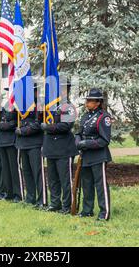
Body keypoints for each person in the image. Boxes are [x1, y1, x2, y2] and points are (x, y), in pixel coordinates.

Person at [41, 79, 78, 214]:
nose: (60, 91)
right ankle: (55, 203)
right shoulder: (50, 106)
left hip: (64, 149)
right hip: (50, 147)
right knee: (53, 179)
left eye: (63, 89)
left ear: (67, 90)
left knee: (65, 180)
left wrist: (49, 127)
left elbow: (66, 126)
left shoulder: (68, 107)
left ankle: (67, 206)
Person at [75, 88, 112, 221]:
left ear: (97, 103)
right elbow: (78, 133)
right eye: (87, 100)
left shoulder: (104, 117)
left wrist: (86, 144)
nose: (87, 102)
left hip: (98, 155)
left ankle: (104, 212)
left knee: (100, 185)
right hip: (86, 156)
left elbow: (104, 140)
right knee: (87, 184)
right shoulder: (86, 116)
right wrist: (78, 142)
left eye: (90, 100)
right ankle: (87, 210)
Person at [15, 84, 46, 208]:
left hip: (35, 143)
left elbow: (38, 124)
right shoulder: (23, 107)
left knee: (37, 172)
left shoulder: (40, 105)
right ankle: (30, 197)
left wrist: (23, 131)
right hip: (23, 143)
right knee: (27, 171)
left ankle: (41, 199)